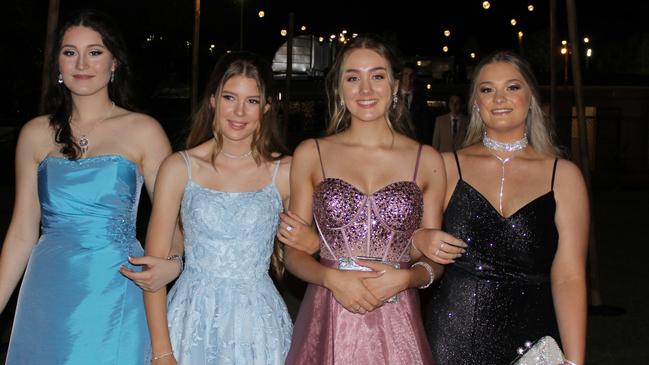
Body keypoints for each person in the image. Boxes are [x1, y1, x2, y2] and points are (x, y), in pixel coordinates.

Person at [0, 10, 177, 364]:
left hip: (117, 289)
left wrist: (174, 262)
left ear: (115, 63)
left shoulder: (145, 131)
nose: (82, 63)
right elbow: (21, 233)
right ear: (57, 66)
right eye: (70, 52)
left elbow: (174, 222)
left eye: (95, 52)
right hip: (46, 290)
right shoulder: (35, 134)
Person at [415, 51, 588, 365]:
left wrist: (574, 360)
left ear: (531, 98)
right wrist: (419, 239)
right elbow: (402, 246)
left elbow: (569, 277)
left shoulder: (563, 176)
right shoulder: (445, 166)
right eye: (487, 89)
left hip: (534, 343)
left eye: (512, 87)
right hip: (453, 337)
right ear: (476, 103)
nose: (499, 98)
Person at [283, 34, 445, 365]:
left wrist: (407, 278)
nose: (366, 89)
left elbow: (435, 259)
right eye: (353, 77)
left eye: (378, 76)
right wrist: (330, 277)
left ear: (396, 85)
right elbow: (293, 255)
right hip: (328, 313)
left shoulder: (426, 159)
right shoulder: (311, 154)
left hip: (397, 319)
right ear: (339, 89)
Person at [142, 51, 295, 364]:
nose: (239, 111)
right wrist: (161, 352)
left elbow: (306, 248)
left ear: (266, 108)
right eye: (229, 97)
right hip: (189, 320)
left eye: (252, 101)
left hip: (258, 326)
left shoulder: (286, 171)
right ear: (212, 100)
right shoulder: (179, 167)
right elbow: (154, 267)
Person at [401, 62, 433, 144]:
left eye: (411, 75)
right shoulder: (393, 96)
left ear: (414, 77)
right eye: (406, 74)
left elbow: (426, 125)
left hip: (415, 143)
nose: (408, 78)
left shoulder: (421, 98)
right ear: (402, 76)